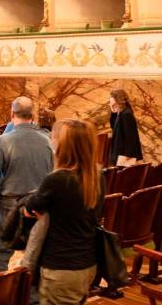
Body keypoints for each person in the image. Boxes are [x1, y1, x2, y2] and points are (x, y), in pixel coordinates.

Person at [24, 119, 103, 305]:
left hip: (60, 269)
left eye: (55, 137)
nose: (52, 140)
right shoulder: (97, 175)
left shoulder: (57, 179)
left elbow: (30, 209)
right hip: (87, 264)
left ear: (64, 146)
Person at [0, 96, 53, 273]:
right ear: (33, 115)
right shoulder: (48, 140)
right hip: (38, 205)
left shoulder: (3, 141)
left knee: (0, 252)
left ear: (12, 113)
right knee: (35, 252)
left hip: (9, 203)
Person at [109, 89, 143, 167]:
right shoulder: (120, 112)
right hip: (120, 153)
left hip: (124, 155)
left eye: (111, 97)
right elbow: (113, 127)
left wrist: (127, 157)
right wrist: (113, 111)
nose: (110, 99)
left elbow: (130, 137)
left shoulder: (126, 114)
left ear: (116, 98)